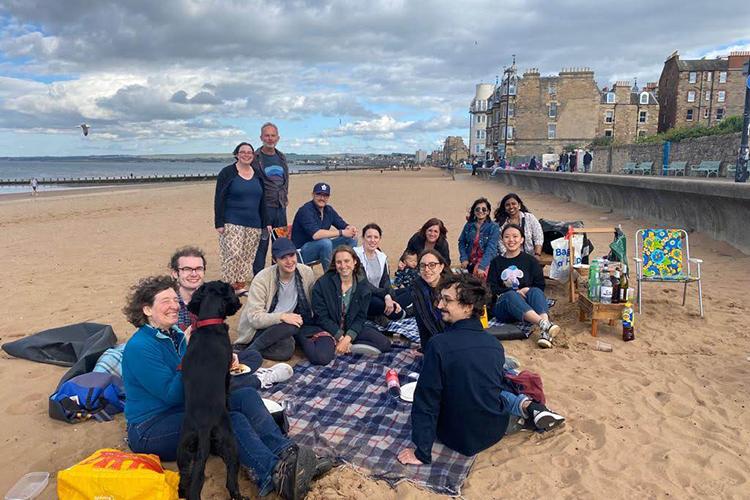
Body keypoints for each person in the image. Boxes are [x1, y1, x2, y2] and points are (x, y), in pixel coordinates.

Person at [120, 276, 322, 499]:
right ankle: (273, 473)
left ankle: (288, 453)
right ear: (147, 309)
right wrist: (195, 356)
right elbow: (172, 394)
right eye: (165, 301)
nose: (175, 305)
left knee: (245, 395)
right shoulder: (140, 347)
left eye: (175, 299)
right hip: (152, 426)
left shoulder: (176, 334)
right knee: (230, 419)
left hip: (190, 407)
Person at [397, 273, 565, 466]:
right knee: (503, 378)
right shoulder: (493, 345)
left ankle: (527, 410)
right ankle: (528, 409)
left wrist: (422, 452)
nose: (439, 305)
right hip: (492, 432)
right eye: (440, 299)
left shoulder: (438, 345)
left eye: (447, 300)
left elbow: (426, 399)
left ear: (468, 307)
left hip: (454, 436)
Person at [235, 237, 318, 360]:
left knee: (288, 347)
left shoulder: (306, 272)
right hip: (261, 327)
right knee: (290, 334)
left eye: (291, 255)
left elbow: (313, 302)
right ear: (275, 260)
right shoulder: (262, 279)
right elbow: (254, 318)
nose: (289, 261)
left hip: (289, 324)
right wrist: (282, 316)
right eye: (283, 257)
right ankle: (250, 350)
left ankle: (252, 349)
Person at [310, 246, 392, 363]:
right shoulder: (322, 284)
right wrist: (340, 336)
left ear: (354, 262)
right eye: (339, 262)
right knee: (322, 358)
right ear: (335, 264)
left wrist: (347, 338)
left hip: (351, 327)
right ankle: (340, 344)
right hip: (329, 328)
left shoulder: (363, 285)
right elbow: (321, 317)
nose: (343, 266)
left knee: (385, 344)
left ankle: (348, 346)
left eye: (347, 261)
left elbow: (361, 317)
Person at [487, 224, 561, 348]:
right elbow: (492, 287)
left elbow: (540, 284)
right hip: (503, 308)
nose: (511, 240)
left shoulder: (530, 260)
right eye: (507, 237)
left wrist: (527, 290)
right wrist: (513, 292)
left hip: (526, 306)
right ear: (502, 240)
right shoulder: (496, 262)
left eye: (515, 236)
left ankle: (545, 332)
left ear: (522, 240)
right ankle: (544, 323)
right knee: (510, 294)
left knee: (536, 291)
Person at [214, 142, 267, 293]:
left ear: (253, 155)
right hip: (232, 221)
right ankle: (228, 286)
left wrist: (266, 222)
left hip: (254, 223)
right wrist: (219, 222)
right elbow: (219, 198)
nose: (246, 154)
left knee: (247, 257)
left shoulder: (257, 174)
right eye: (242, 152)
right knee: (233, 254)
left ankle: (240, 286)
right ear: (237, 154)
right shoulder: (227, 172)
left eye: (249, 152)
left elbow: (263, 201)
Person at [252, 123, 291, 275]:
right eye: (267, 135)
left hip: (281, 208)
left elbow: (285, 181)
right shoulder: (255, 158)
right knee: (261, 245)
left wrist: (284, 199)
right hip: (264, 209)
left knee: (280, 244)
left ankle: (278, 275)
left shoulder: (281, 157)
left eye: (273, 135)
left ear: (278, 138)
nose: (270, 138)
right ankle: (259, 277)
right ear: (261, 137)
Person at [291, 182, 357, 270]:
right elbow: (316, 235)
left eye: (325, 195)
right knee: (325, 243)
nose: (322, 198)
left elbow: (342, 225)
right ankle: (329, 277)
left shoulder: (328, 210)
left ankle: (345, 270)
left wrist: (350, 228)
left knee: (351, 239)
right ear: (313, 195)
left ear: (328, 197)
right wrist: (341, 232)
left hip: (323, 248)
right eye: (319, 194)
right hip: (301, 253)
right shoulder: (305, 211)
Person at [352, 223, 407, 321]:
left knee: (410, 291)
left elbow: (385, 281)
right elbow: (364, 284)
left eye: (376, 237)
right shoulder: (355, 255)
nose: (372, 240)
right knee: (387, 308)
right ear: (363, 238)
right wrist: (386, 296)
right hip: (362, 296)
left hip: (379, 294)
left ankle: (389, 310)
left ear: (379, 239)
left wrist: (390, 297)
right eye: (369, 237)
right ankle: (403, 313)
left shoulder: (381, 257)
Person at [410, 249, 451, 350]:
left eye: (432, 265)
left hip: (455, 338)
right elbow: (422, 322)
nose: (427, 270)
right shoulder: (418, 287)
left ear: (441, 267)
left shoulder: (451, 288)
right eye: (423, 265)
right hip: (435, 340)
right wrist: (426, 349)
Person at [458, 198, 500, 280]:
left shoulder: (493, 227)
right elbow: (461, 242)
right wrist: (464, 258)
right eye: (477, 209)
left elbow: (491, 249)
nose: (480, 211)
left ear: (488, 212)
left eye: (484, 209)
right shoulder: (469, 225)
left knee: (480, 276)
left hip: (486, 260)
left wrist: (482, 266)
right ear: (474, 211)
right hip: (470, 259)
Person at [494, 193, 544, 258]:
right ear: (504, 208)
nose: (511, 207)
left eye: (514, 204)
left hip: (530, 256)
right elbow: (501, 245)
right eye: (507, 205)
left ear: (519, 205)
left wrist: (537, 254)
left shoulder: (529, 218)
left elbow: (538, 237)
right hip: (509, 258)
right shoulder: (500, 224)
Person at [169, 246, 207, 332]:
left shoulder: (213, 300)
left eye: (199, 269)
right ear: (175, 273)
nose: (194, 274)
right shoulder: (166, 303)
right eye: (187, 269)